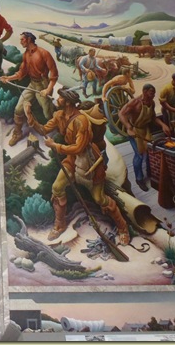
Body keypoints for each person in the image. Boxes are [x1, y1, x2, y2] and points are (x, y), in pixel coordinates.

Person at [25, 88, 131, 245]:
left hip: (90, 161)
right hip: (72, 159)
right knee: (57, 188)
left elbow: (79, 147)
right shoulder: (59, 115)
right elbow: (44, 129)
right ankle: (60, 225)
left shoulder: (81, 121)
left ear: (68, 102)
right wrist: (30, 117)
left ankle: (123, 228)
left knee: (99, 198)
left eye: (60, 98)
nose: (57, 100)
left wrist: (55, 146)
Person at [0, 32, 58, 146]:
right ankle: (17, 133)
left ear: (29, 39)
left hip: (43, 85)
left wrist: (48, 90)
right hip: (32, 85)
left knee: (48, 114)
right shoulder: (26, 54)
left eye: (22, 39)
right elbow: (22, 72)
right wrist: (8, 78)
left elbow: (54, 73)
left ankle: (58, 130)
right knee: (18, 109)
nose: (20, 42)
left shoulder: (44, 53)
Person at [118, 84, 172, 191]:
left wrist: (163, 125)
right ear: (144, 91)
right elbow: (121, 114)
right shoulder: (135, 102)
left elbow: (153, 117)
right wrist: (128, 127)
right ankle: (139, 179)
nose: (153, 95)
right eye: (151, 93)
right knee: (139, 155)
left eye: (154, 93)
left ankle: (150, 172)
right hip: (135, 131)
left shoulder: (151, 103)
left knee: (149, 151)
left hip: (145, 130)